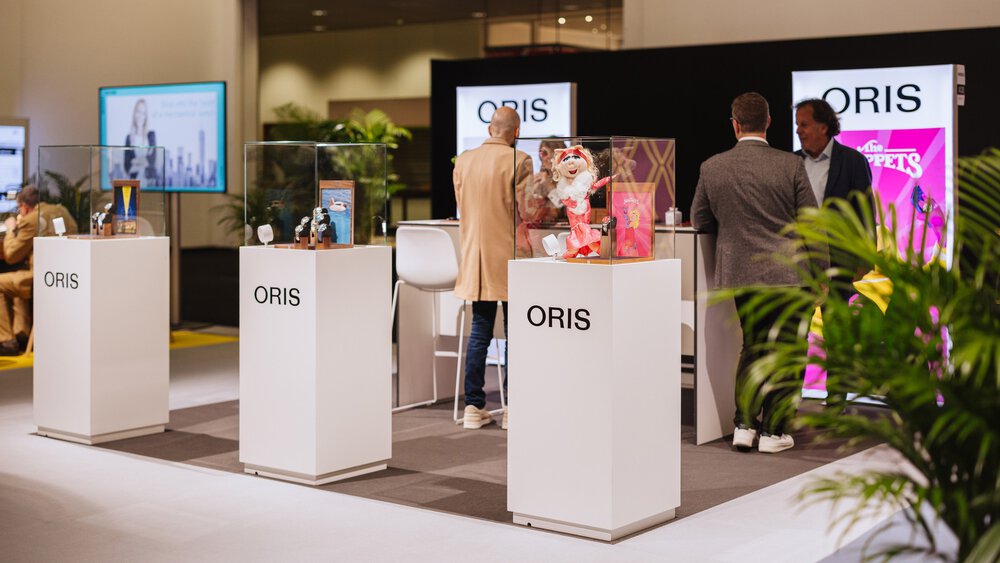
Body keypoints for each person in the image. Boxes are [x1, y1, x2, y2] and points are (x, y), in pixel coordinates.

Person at [690, 92, 824, 453]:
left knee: (753, 347)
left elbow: (700, 218)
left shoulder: (712, 167)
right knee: (788, 351)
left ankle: (745, 426)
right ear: (769, 122)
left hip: (741, 274)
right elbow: (812, 224)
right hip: (790, 275)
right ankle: (775, 432)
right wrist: (822, 273)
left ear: (735, 125)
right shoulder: (790, 164)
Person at [453, 106, 532, 430]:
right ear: (516, 132)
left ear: (489, 129)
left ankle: (473, 406)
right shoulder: (519, 160)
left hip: (476, 257)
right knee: (516, 332)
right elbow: (527, 210)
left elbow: (461, 204)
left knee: (480, 330)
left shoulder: (464, 160)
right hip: (510, 256)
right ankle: (513, 407)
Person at [794, 98, 874, 289]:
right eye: (797, 125)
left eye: (804, 125)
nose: (798, 131)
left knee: (836, 310)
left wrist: (866, 260)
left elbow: (865, 213)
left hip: (839, 262)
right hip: (799, 263)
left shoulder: (853, 161)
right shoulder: (791, 161)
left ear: (823, 127)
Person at [124, 98, 158, 181]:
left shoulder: (151, 135)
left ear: (146, 116)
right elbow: (127, 167)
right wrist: (145, 160)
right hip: (134, 183)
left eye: (143, 113)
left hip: (150, 183)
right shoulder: (129, 138)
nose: (140, 116)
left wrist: (134, 161)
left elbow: (152, 160)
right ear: (134, 113)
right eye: (138, 111)